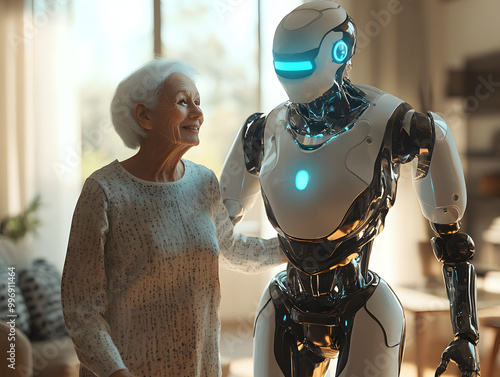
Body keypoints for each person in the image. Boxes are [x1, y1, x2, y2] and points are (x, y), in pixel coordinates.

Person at [220, 2, 479, 376]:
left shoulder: (405, 127)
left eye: (302, 62)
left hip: (363, 303)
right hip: (284, 302)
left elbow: (451, 240)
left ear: (340, 51)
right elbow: (215, 225)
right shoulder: (261, 131)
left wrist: (465, 332)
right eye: (286, 64)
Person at [61, 59, 285, 377]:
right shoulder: (104, 191)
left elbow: (231, 247)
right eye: (183, 102)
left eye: (198, 103)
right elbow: (80, 307)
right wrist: (116, 372)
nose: (198, 114)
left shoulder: (204, 182)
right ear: (144, 115)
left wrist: (294, 249)